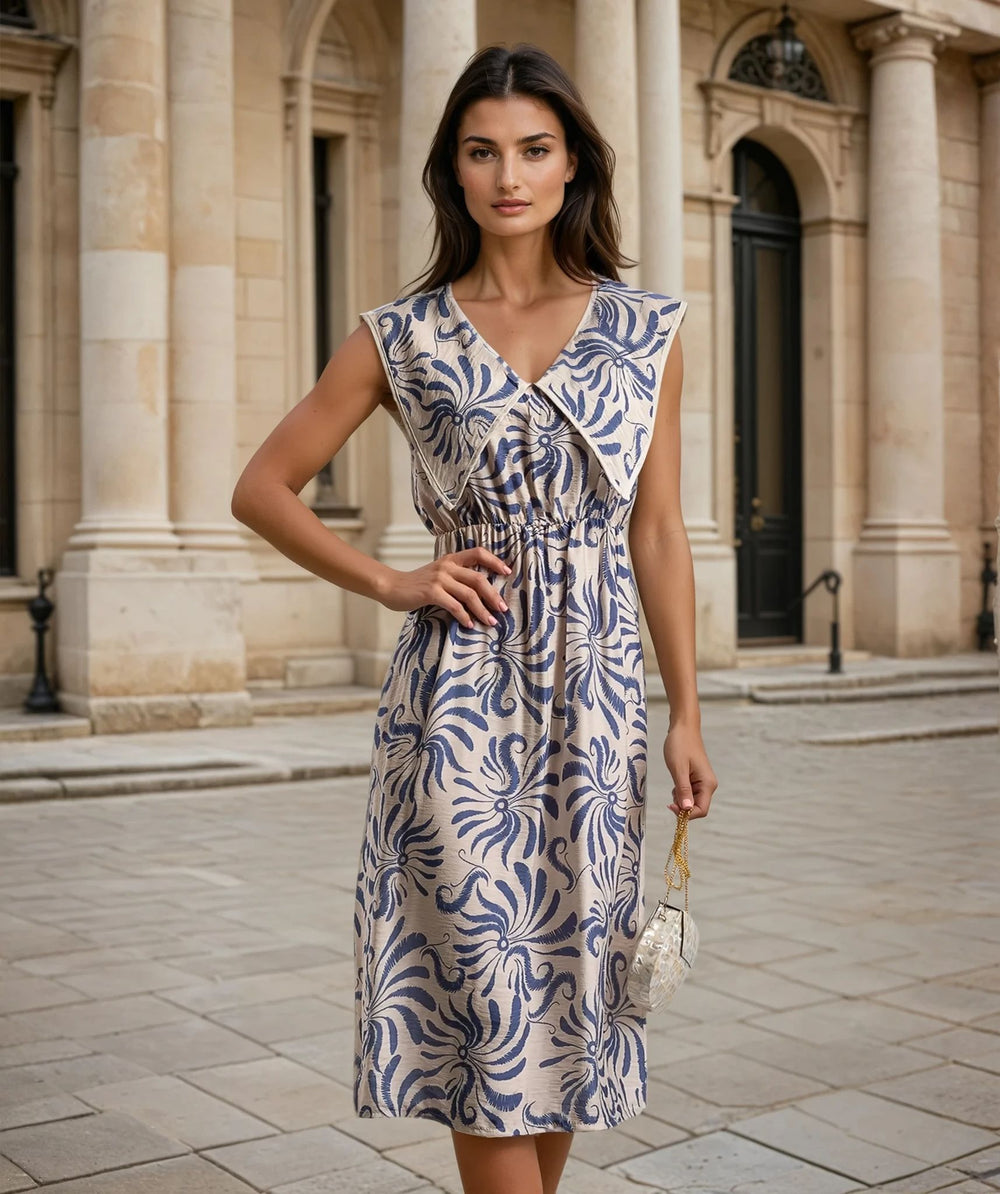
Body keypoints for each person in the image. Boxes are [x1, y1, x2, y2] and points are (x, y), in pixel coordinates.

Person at [232, 40, 718, 1194]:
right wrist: (396, 582)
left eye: (534, 150)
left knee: (560, 1012)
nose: (510, 174)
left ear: (571, 167)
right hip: (455, 713)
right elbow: (259, 488)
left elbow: (657, 532)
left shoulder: (644, 332)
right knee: (487, 1005)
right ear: (452, 172)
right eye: (482, 150)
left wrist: (686, 711)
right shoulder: (403, 336)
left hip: (597, 721)